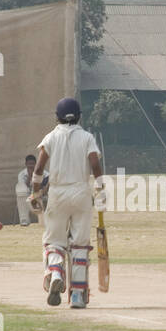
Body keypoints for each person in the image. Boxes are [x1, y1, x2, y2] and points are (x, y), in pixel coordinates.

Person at [31, 97, 104, 308]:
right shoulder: (87, 137)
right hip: (81, 192)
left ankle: (55, 274)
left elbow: (37, 171)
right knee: (80, 245)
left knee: (54, 242)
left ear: (57, 117)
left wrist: (36, 194)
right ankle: (77, 296)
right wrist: (101, 190)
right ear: (79, 116)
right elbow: (95, 164)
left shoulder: (51, 137)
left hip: (57, 193)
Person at [15, 154, 48, 226]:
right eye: (29, 164)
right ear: (26, 164)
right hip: (27, 197)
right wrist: (30, 176)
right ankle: (24, 220)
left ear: (36, 164)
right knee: (20, 191)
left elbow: (46, 187)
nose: (31, 166)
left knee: (43, 198)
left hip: (40, 196)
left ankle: (44, 221)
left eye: (33, 164)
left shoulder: (45, 173)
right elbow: (23, 188)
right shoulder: (22, 174)